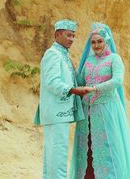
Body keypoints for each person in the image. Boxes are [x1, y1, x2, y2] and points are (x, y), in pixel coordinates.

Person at [70, 22, 130, 179]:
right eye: (93, 42)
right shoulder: (88, 61)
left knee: (108, 150)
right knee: (87, 151)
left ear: (107, 41)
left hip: (107, 112)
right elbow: (80, 80)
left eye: (99, 41)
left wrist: (94, 88)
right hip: (87, 113)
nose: (96, 45)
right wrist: (72, 68)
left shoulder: (115, 59)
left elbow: (117, 81)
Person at [34, 19, 94, 179]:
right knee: (57, 157)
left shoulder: (63, 56)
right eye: (69, 35)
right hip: (55, 113)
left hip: (59, 113)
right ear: (57, 34)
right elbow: (52, 82)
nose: (72, 39)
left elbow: (72, 79)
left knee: (52, 157)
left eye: (74, 36)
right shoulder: (52, 54)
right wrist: (74, 90)